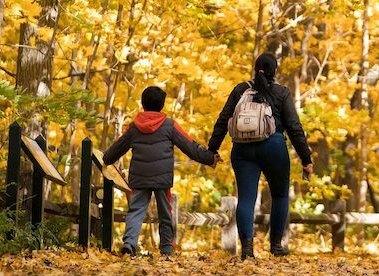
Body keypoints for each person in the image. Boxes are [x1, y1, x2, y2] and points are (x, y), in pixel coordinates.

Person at [208, 53, 314, 259]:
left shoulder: (240, 90)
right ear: (275, 71)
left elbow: (223, 120)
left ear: (255, 69)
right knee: (280, 195)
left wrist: (212, 149)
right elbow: (294, 127)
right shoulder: (281, 92)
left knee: (246, 198)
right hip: (273, 145)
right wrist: (305, 158)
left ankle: (247, 249)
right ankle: (276, 246)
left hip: (242, 149)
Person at [103, 86, 221, 257]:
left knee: (136, 210)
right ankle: (166, 248)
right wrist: (210, 158)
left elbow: (117, 148)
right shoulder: (169, 125)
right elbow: (190, 146)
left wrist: (106, 159)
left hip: (139, 176)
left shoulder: (134, 127)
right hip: (162, 178)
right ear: (162, 105)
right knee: (165, 212)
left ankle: (129, 243)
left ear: (143, 104)